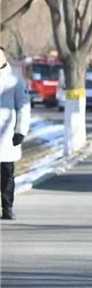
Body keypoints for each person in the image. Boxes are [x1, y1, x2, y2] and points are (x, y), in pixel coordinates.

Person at [0, 46, 30, 221]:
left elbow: (24, 106)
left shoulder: (15, 80)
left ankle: (7, 208)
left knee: (6, 174)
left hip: (6, 136)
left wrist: (20, 131)